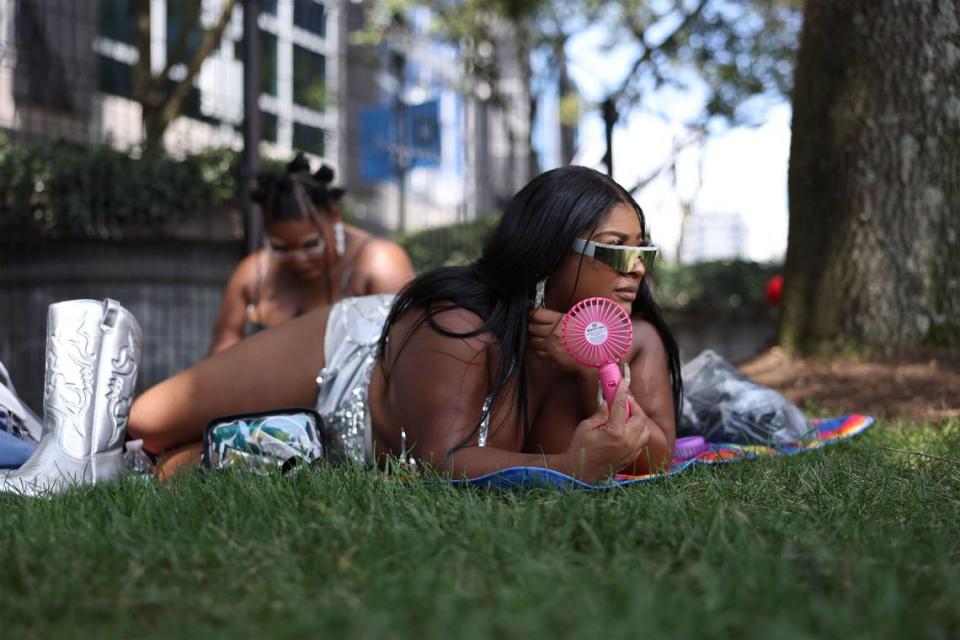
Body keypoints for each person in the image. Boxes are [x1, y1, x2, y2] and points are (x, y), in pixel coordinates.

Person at [129, 166, 683, 483]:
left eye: (642, 251)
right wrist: (570, 466)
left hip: (353, 446)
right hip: (351, 358)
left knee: (171, 462)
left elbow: (656, 454)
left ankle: (186, 458)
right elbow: (441, 457)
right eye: (613, 250)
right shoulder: (459, 323)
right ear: (547, 252)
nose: (635, 268)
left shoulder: (641, 338)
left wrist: (591, 365)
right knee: (147, 421)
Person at [207, 154, 415, 355]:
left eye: (311, 244)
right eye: (281, 248)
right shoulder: (254, 274)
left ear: (335, 216)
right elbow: (221, 351)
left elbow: (407, 348)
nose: (298, 258)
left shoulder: (379, 263)